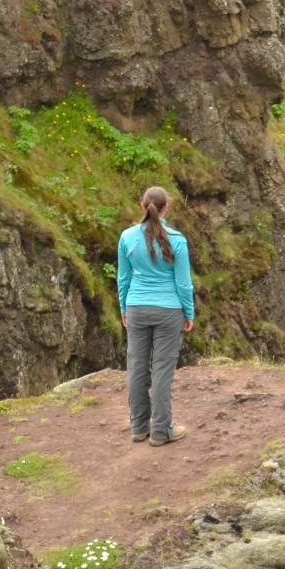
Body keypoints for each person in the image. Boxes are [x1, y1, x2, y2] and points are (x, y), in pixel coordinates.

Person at [116, 185, 195, 447]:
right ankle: (161, 430)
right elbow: (183, 283)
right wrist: (188, 311)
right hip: (169, 310)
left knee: (137, 366)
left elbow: (123, 278)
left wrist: (124, 308)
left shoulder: (127, 238)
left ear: (142, 206)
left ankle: (139, 427)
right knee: (163, 369)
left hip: (136, 307)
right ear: (166, 208)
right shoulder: (178, 240)